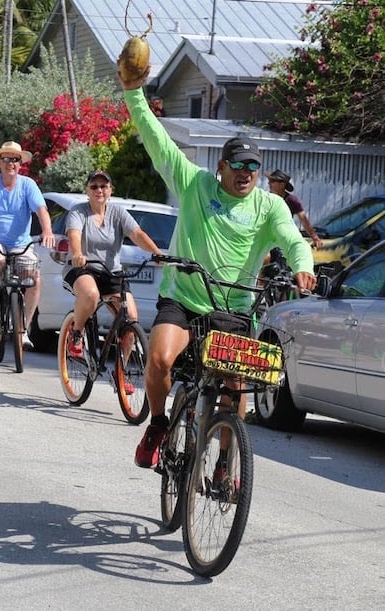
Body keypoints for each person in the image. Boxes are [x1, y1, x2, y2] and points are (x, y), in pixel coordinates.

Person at [117, 66, 317, 470]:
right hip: (185, 299)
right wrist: (134, 92)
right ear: (221, 167)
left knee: (235, 385)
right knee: (158, 359)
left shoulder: (269, 205)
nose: (245, 174)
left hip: (235, 309)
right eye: (238, 165)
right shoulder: (194, 183)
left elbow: (293, 239)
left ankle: (226, 460)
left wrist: (302, 265)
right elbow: (157, 141)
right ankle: (158, 424)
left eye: (252, 168)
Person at [63, 169, 163, 372]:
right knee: (91, 294)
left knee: (131, 317)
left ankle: (121, 370)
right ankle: (76, 333)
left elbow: (137, 234)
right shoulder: (78, 211)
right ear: (87, 190)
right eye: (94, 186)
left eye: (103, 186)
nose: (99, 190)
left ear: (110, 190)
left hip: (110, 272)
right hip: (82, 268)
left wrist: (156, 253)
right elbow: (74, 234)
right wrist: (77, 253)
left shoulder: (118, 213)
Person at [0, 141, 55, 349]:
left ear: (20, 164)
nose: (11, 163)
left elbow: (41, 210)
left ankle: (24, 328)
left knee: (35, 278)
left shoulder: (28, 185)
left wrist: (47, 231)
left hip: (20, 243)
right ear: (0, 162)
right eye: (6, 159)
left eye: (15, 159)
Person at [266, 169, 323, 249]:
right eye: (269, 181)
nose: (269, 183)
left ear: (282, 184)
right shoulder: (267, 198)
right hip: (266, 237)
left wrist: (315, 238)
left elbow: (303, 219)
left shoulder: (291, 200)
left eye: (272, 181)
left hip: (282, 239)